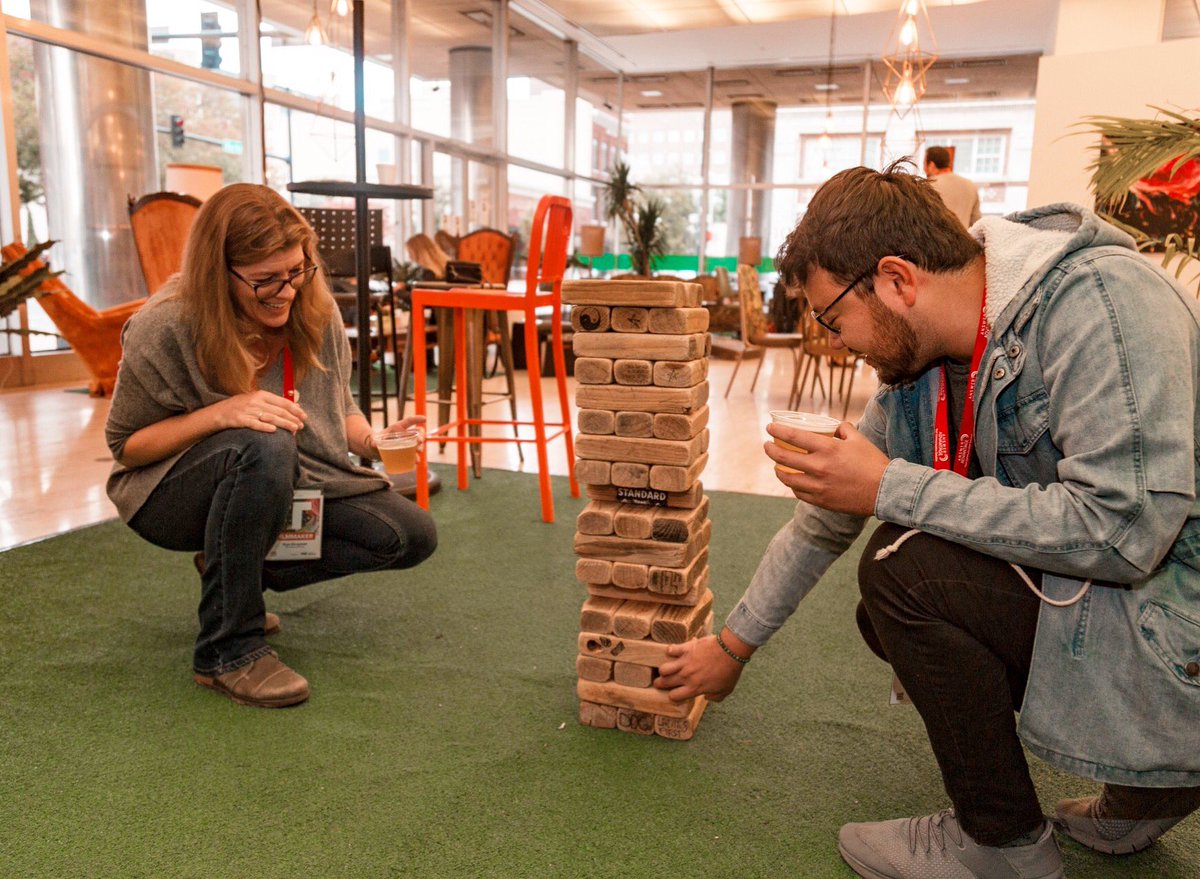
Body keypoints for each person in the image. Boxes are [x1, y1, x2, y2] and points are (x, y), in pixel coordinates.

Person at [654, 163, 1200, 879]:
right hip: (1133, 616)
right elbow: (821, 523)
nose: (840, 342)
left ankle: (1003, 845)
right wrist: (731, 648)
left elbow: (1123, 530)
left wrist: (892, 487)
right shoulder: (923, 374)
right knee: (887, 598)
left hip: (1178, 634)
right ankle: (1149, 786)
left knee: (902, 569)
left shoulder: (1101, 300)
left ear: (896, 281)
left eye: (833, 317)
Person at [106, 183, 437, 709]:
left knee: (408, 535)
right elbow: (128, 446)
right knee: (262, 444)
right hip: (170, 495)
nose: (285, 291)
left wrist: (374, 441)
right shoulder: (165, 325)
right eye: (264, 281)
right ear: (220, 274)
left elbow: (337, 405)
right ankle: (227, 651)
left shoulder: (314, 307)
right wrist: (218, 415)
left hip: (290, 480)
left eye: (297, 271)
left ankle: (233, 570)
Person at [924, 145, 981, 228]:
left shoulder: (928, 186)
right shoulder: (971, 186)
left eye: (924, 164)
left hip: (935, 240)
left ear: (931, 165)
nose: (924, 168)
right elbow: (976, 222)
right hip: (963, 239)